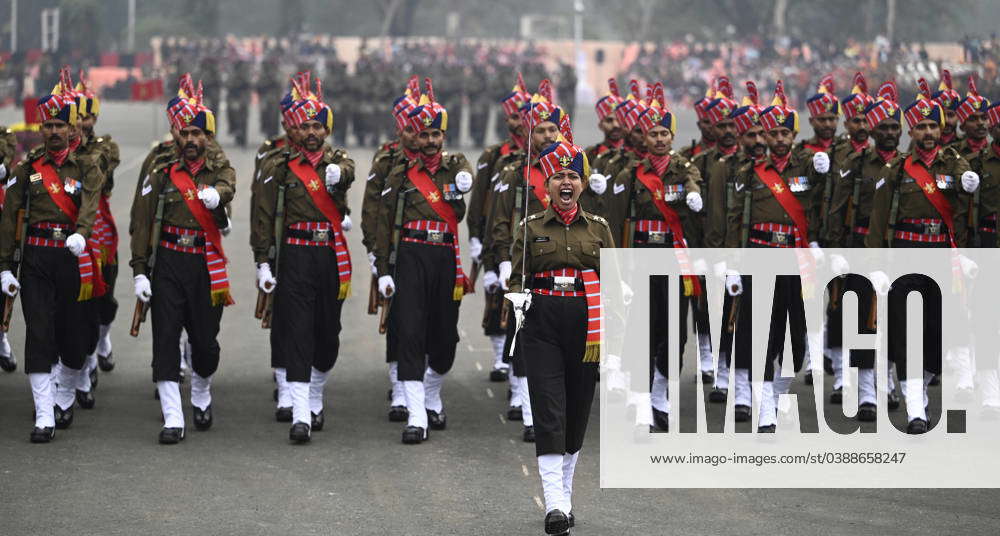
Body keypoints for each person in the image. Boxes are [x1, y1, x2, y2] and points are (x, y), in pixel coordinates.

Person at [509, 140, 613, 535]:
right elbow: (515, 278)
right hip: (543, 323)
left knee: (577, 411)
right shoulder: (530, 226)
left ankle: (565, 495)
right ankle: (554, 504)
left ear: (582, 184)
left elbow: (613, 281)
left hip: (587, 326)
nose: (565, 183)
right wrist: (517, 308)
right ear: (546, 184)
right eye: (558, 176)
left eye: (572, 176)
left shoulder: (600, 229)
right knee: (549, 410)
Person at [866, 85, 980, 433]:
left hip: (941, 260)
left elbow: (965, 185)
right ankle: (915, 406)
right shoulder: (897, 171)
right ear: (911, 132)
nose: (928, 133)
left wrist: (967, 180)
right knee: (909, 335)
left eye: (934, 127)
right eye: (922, 127)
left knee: (938, 334)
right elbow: (877, 220)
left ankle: (923, 384)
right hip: (905, 259)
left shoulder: (953, 162)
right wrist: (876, 267)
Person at [130, 76, 236, 444]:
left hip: (205, 264)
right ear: (175, 133)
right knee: (165, 336)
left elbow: (229, 185)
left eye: (197, 133)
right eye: (184, 132)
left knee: (205, 344)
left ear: (207, 137)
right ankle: (173, 417)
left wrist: (216, 198)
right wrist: (140, 271)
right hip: (169, 262)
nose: (191, 139)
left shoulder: (218, 165)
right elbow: (141, 220)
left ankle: (202, 391)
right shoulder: (159, 166)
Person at [252, 74, 355, 443]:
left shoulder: (337, 159)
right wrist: (263, 261)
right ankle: (300, 413)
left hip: (328, 254)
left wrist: (336, 176)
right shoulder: (276, 164)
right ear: (291, 127)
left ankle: (315, 394)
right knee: (296, 332)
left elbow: (348, 172)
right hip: (294, 255)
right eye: (303, 125)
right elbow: (261, 215)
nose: (311, 132)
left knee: (327, 337)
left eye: (317, 125)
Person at [0, 84, 106, 443]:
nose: (55, 131)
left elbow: (91, 203)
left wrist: (83, 231)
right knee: (39, 333)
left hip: (74, 257)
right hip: (36, 260)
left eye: (61, 125)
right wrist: (4, 267)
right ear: (41, 129)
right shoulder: (27, 168)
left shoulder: (89, 166)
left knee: (74, 338)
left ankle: (65, 393)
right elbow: (9, 215)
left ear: (74, 129)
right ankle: (44, 416)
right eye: (48, 126)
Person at [726, 80, 830, 432]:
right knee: (762, 335)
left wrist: (822, 169)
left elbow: (825, 202)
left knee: (796, 337)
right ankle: (765, 406)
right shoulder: (749, 173)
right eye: (773, 133)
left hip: (797, 261)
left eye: (786, 133)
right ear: (765, 138)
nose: (780, 139)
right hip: (760, 258)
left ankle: (778, 390)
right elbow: (734, 220)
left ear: (793, 135)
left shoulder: (809, 168)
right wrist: (732, 267)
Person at [374, 78, 474, 444]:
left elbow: (465, 179)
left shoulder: (454, 166)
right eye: (424, 134)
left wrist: (464, 181)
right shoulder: (399, 174)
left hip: (445, 257)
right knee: (411, 333)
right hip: (411, 256)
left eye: (436, 135)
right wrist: (382, 269)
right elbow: (385, 223)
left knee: (445, 339)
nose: (431, 141)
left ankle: (432, 393)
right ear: (413, 135)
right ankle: (417, 415)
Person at [604, 82, 704, 432]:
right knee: (641, 332)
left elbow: (693, 185)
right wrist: (615, 272)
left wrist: (693, 195)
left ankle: (661, 394)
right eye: (653, 133)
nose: (659, 139)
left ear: (672, 136)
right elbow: (614, 225)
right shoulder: (629, 175)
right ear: (642, 138)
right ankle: (643, 398)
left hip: (674, 260)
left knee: (674, 333)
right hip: (641, 259)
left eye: (664, 133)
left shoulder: (684, 169)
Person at [492, 80, 570, 441]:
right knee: (525, 341)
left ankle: (555, 410)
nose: (547, 135)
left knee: (562, 342)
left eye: (552, 128)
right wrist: (504, 263)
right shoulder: (516, 172)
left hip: (565, 270)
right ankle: (528, 413)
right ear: (529, 133)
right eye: (540, 130)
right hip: (527, 269)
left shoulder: (572, 174)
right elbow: (500, 222)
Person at [362, 76, 420, 423]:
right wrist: (375, 254)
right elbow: (372, 207)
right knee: (399, 320)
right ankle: (399, 385)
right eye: (411, 127)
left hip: (424, 250)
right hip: (395, 250)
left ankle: (418, 383)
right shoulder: (386, 158)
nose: (417, 134)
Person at [468, 73, 529, 385]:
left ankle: (518, 362)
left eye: (524, 116)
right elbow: (479, 201)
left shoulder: (543, 159)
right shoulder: (494, 156)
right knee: (496, 299)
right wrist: (475, 237)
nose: (519, 122)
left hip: (529, 241)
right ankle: (499, 358)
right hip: (498, 238)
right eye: (515, 116)